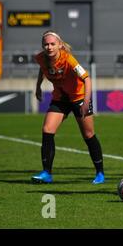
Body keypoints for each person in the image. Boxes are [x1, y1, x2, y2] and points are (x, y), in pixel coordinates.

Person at [31, 30, 105, 184]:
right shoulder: (40, 58)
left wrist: (86, 102)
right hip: (61, 99)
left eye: (52, 44)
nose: (49, 47)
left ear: (59, 45)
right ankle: (47, 173)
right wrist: (38, 86)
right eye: (46, 44)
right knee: (47, 130)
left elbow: (87, 79)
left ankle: (100, 173)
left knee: (88, 135)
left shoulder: (68, 59)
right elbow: (43, 69)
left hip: (78, 97)